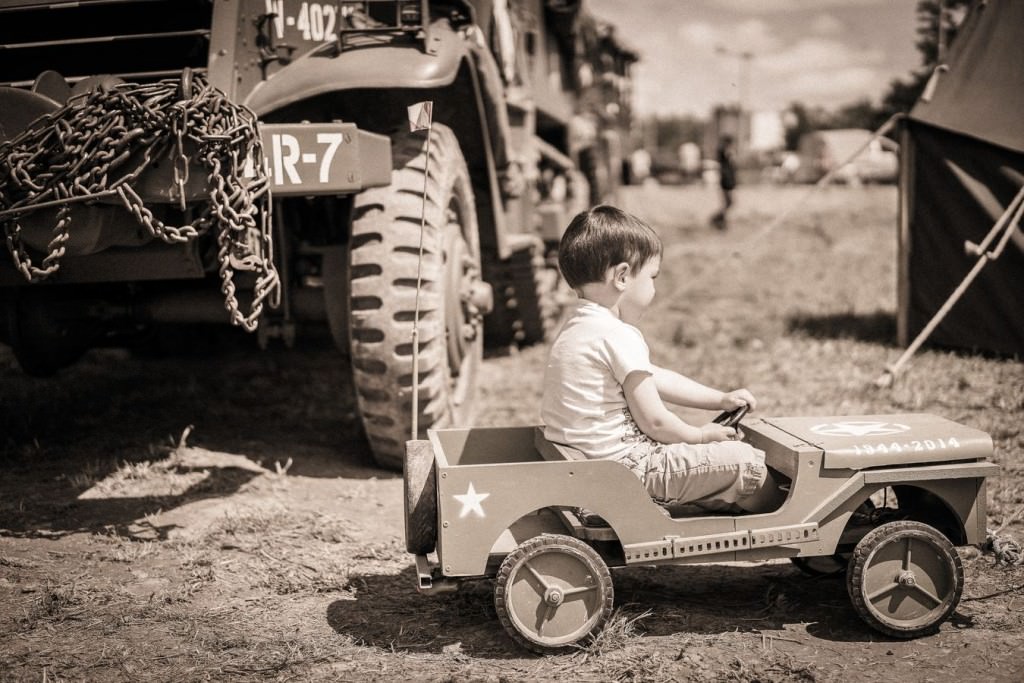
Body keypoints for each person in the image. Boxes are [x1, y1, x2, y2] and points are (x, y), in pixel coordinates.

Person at [542, 205, 785, 513]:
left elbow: (653, 377)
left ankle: (730, 505)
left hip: (592, 469)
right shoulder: (617, 334)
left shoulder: (577, 329)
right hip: (629, 472)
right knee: (744, 460)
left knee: (713, 460)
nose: (654, 288)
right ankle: (792, 521)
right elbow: (655, 422)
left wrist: (720, 399)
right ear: (622, 276)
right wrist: (700, 436)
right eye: (652, 277)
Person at [710, 135, 736, 230]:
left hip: (727, 180)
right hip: (726, 181)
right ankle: (718, 219)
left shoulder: (724, 155)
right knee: (729, 202)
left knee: (728, 202)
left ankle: (720, 219)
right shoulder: (724, 153)